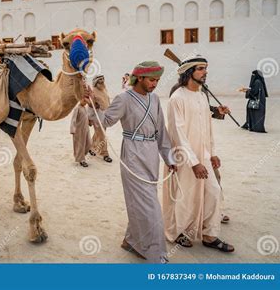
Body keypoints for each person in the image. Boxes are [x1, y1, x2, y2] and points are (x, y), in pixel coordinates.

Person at [98, 61, 176, 263]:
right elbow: (105, 121)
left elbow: (161, 131)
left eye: (157, 80)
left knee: (141, 202)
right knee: (150, 207)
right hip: (132, 154)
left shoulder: (155, 99)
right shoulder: (123, 98)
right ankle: (156, 254)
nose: (155, 84)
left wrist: (169, 158)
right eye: (151, 80)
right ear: (139, 78)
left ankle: (132, 241)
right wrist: (91, 106)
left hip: (151, 156)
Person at [163, 56, 235, 253]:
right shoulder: (177, 98)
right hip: (183, 157)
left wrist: (211, 153)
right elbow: (178, 133)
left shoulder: (202, 96)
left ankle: (210, 235)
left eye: (206, 68)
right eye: (201, 69)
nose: (205, 72)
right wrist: (193, 162)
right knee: (185, 196)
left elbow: (207, 128)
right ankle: (179, 232)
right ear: (189, 72)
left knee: (213, 191)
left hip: (203, 156)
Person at [90, 75, 113, 163]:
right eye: (100, 80)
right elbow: (90, 105)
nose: (102, 81)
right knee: (102, 135)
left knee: (98, 134)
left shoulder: (104, 89)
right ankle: (105, 154)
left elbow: (107, 101)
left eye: (103, 79)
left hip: (105, 116)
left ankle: (91, 148)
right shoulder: (93, 91)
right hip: (97, 117)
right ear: (96, 82)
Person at [70, 99, 92, 167]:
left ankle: (82, 155)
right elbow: (73, 119)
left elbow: (86, 117)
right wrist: (72, 129)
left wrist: (90, 122)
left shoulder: (84, 108)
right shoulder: (77, 108)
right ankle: (81, 159)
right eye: (84, 101)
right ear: (80, 100)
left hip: (86, 129)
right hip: (79, 130)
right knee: (80, 145)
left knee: (89, 143)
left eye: (86, 102)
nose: (85, 103)